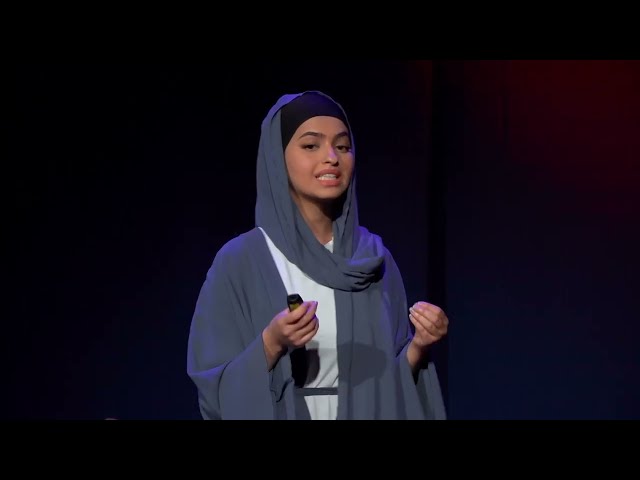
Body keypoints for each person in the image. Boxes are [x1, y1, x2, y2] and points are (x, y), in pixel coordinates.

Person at [186, 90, 449, 420]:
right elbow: (215, 389)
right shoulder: (240, 261)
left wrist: (420, 344)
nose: (331, 158)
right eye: (311, 145)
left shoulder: (371, 260)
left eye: (343, 146)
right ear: (278, 158)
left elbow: (389, 382)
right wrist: (271, 342)